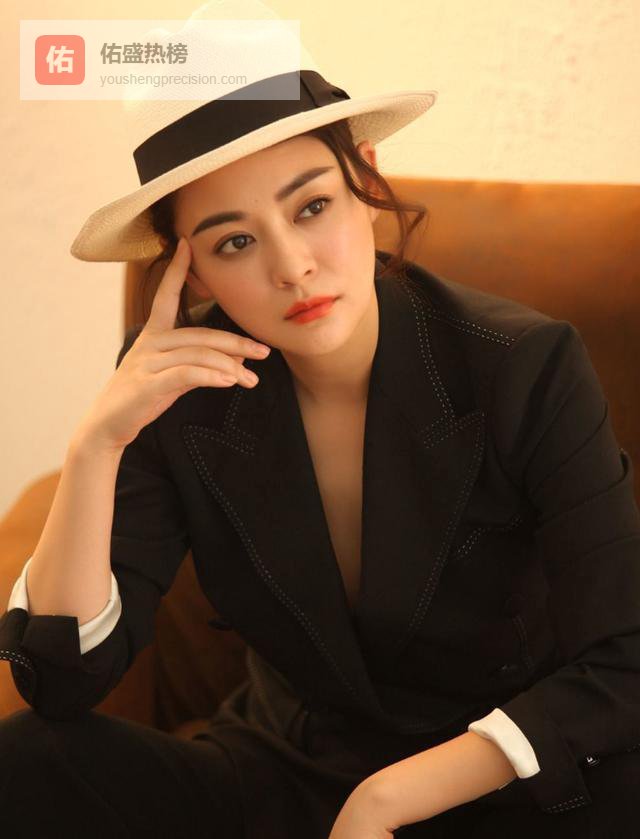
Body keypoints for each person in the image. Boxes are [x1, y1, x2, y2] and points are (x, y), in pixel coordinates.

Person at [1, 2, 640, 837]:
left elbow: (624, 657)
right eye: (234, 242)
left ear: (365, 181)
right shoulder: (176, 391)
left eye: (310, 207)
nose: (293, 266)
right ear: (190, 272)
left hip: (497, 780)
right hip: (289, 772)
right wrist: (97, 444)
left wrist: (386, 799)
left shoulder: (525, 365)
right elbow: (62, 684)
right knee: (28, 763)